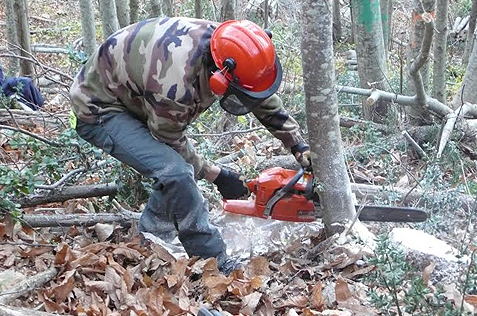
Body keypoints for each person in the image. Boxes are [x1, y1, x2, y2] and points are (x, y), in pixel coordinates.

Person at [68, 18, 311, 273]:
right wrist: (217, 175)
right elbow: (170, 142)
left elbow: (257, 93)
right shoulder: (174, 85)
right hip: (99, 109)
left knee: (172, 172)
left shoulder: (230, 44)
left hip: (132, 95)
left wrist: (299, 146)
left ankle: (153, 235)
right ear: (219, 77)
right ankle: (213, 260)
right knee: (176, 172)